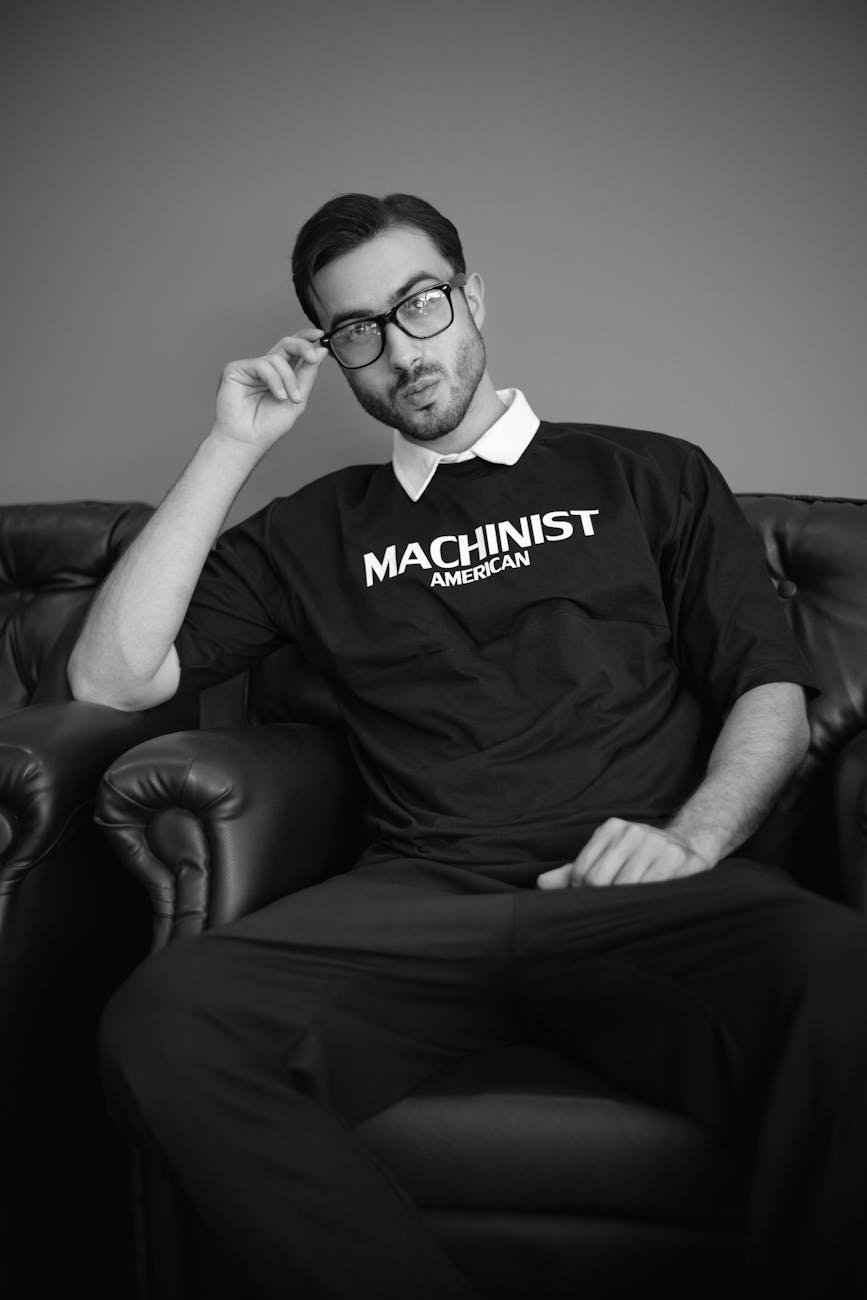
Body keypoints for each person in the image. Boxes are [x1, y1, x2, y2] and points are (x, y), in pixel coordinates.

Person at [70, 192, 867, 1299]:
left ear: (472, 297)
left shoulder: (649, 474)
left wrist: (691, 842)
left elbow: (768, 687)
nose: (399, 350)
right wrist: (230, 443)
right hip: (417, 900)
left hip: (640, 891)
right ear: (335, 356)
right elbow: (108, 675)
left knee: (847, 978)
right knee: (158, 1025)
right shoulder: (317, 525)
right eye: (359, 330)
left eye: (421, 305)